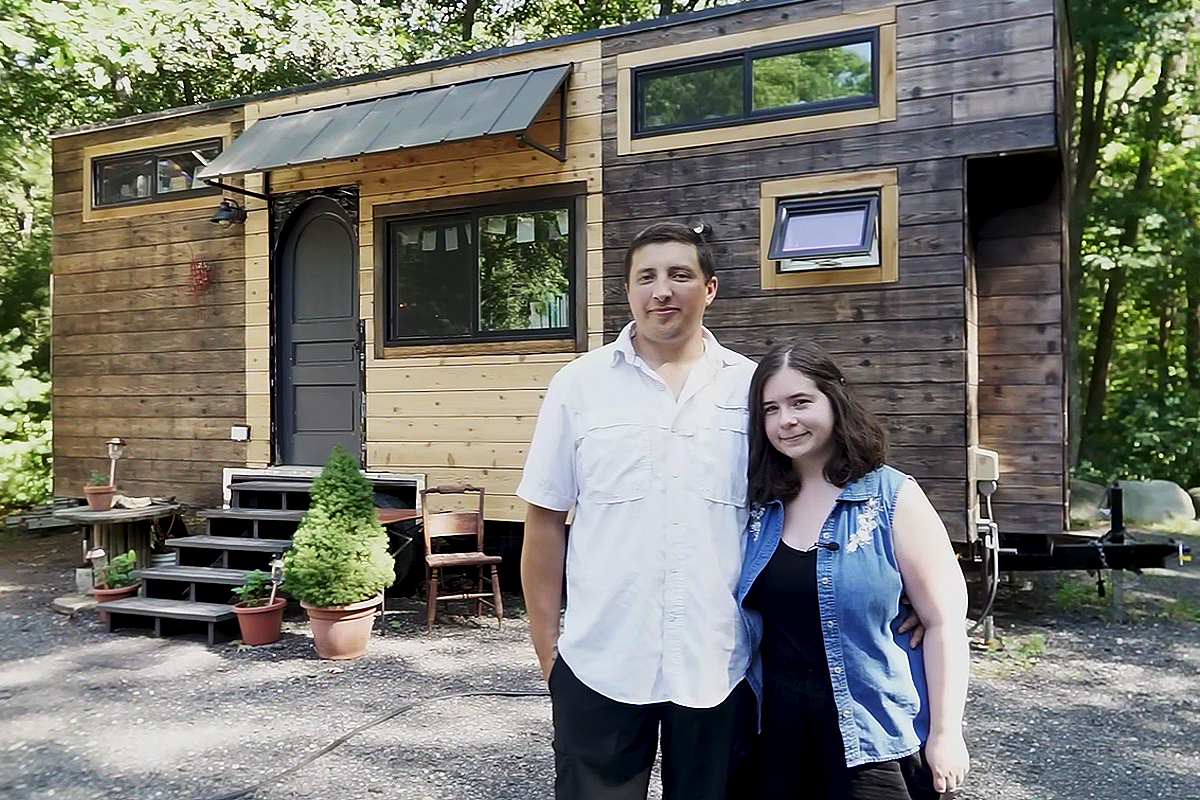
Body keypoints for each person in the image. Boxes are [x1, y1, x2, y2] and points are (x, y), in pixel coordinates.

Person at [517, 222, 758, 800]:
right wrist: (550, 652)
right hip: (601, 661)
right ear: (627, 291)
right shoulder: (578, 386)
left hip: (717, 665)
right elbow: (545, 519)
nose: (662, 291)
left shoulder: (751, 390)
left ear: (711, 288)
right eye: (646, 277)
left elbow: (800, 510)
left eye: (680, 275)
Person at [736, 339, 970, 799]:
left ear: (835, 400)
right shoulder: (759, 503)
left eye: (801, 402)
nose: (787, 420)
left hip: (869, 725)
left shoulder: (892, 496)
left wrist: (946, 733)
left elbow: (944, 622)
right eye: (771, 409)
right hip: (779, 730)